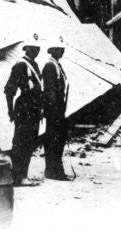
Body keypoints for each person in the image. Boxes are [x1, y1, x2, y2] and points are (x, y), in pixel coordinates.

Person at [4, 39, 44, 186]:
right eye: (33, 48)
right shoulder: (21, 65)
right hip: (24, 107)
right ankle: (17, 177)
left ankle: (23, 175)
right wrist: (10, 111)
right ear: (26, 49)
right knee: (21, 142)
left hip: (34, 108)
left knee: (30, 142)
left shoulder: (35, 65)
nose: (36, 51)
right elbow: (9, 89)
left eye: (38, 48)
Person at [41, 39, 71, 181]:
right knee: (54, 140)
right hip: (54, 110)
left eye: (62, 49)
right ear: (52, 50)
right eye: (59, 49)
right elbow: (50, 90)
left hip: (58, 109)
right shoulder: (50, 66)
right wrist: (54, 111)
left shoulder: (57, 65)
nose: (62, 52)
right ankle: (54, 171)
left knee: (58, 140)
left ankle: (54, 170)